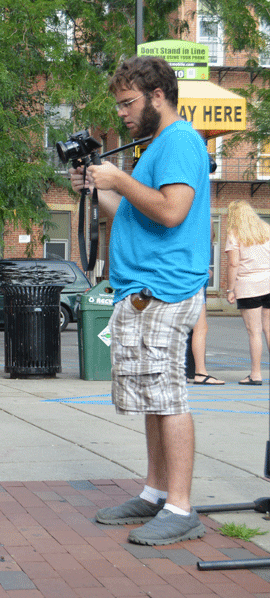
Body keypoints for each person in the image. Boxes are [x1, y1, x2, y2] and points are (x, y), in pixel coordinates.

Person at [70, 56, 210, 546]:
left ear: (157, 95)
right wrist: (98, 189)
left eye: (128, 103)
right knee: (154, 397)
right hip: (144, 289)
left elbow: (173, 212)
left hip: (167, 288)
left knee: (168, 395)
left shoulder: (177, 142)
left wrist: (120, 180)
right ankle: (155, 493)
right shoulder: (157, 147)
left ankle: (180, 507)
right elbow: (131, 216)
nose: (122, 114)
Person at [224, 199, 270, 385]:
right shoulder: (266, 229)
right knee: (269, 328)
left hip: (248, 286)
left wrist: (230, 289)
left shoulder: (234, 234)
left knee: (254, 332)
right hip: (268, 282)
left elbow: (233, 263)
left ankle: (256, 374)